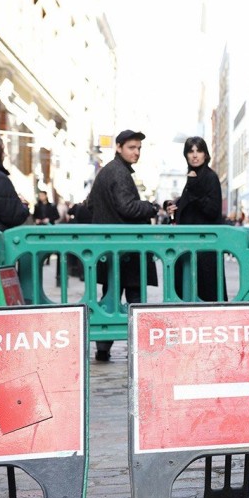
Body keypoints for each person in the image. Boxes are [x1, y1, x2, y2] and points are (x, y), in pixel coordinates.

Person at [88, 129, 159, 361]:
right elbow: (127, 207)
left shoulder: (112, 171)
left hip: (114, 250)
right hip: (126, 251)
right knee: (135, 301)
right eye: (131, 147)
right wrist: (151, 207)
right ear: (118, 147)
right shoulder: (118, 172)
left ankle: (103, 348)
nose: (137, 152)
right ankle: (139, 351)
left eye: (139, 148)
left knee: (110, 299)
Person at [167, 136, 226, 302]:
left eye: (199, 151)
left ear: (205, 154)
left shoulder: (209, 177)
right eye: (190, 151)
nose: (194, 155)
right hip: (191, 245)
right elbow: (190, 204)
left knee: (206, 293)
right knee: (189, 290)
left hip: (204, 247)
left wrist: (193, 190)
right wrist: (174, 205)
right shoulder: (193, 176)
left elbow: (212, 209)